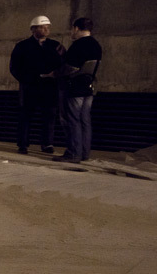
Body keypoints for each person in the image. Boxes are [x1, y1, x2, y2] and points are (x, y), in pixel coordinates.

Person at [9, 15, 65, 154]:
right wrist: (26, 79)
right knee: (26, 115)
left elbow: (63, 64)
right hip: (30, 86)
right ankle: (23, 144)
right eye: (42, 27)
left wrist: (56, 75)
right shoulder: (22, 46)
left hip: (49, 87)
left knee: (49, 115)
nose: (46, 29)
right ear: (33, 29)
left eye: (48, 27)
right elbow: (14, 67)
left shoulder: (55, 46)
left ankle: (47, 144)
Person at [53, 17, 102, 163]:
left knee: (72, 120)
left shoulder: (78, 45)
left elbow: (71, 68)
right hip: (89, 87)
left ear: (76, 28)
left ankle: (74, 153)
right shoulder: (96, 45)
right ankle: (84, 153)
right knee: (85, 120)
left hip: (75, 88)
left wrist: (55, 73)